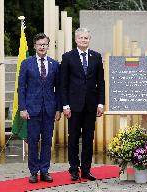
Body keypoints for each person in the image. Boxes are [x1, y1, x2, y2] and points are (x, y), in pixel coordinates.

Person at [60, 28, 105, 181]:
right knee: (73, 139)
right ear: (76, 39)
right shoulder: (67, 57)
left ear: (89, 40)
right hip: (73, 106)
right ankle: (73, 169)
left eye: (86, 38)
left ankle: (86, 170)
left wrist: (101, 103)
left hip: (91, 106)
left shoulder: (96, 57)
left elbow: (101, 83)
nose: (83, 40)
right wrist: (65, 105)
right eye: (81, 38)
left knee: (88, 138)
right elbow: (63, 84)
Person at [18, 33, 61, 183]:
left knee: (47, 142)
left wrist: (58, 109)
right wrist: (22, 108)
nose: (42, 47)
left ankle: (44, 170)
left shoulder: (55, 64)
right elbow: (21, 88)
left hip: (49, 109)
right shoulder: (26, 63)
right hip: (31, 110)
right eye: (39, 44)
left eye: (45, 44)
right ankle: (33, 172)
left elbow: (59, 88)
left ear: (48, 46)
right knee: (33, 141)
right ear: (35, 46)